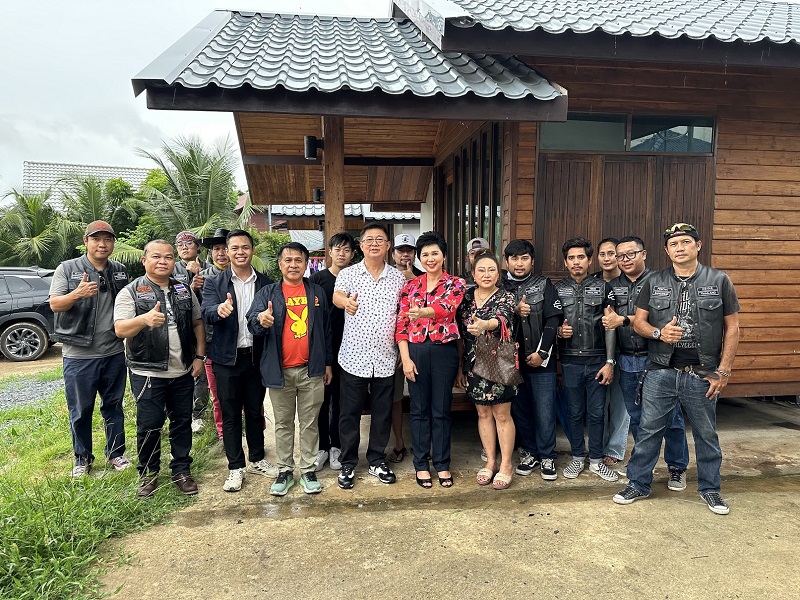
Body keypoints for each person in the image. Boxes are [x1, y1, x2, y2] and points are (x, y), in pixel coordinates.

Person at [614, 223, 740, 515]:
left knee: (706, 435)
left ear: (698, 246)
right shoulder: (654, 281)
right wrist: (659, 334)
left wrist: (723, 371)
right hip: (660, 370)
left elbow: (733, 328)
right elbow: (639, 322)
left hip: (702, 372)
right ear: (666, 250)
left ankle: (710, 489)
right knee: (648, 431)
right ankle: (638, 483)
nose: (680, 248)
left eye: (686, 242)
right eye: (673, 244)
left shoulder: (719, 280)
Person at [114, 239, 205, 498]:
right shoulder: (131, 292)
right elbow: (120, 329)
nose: (163, 261)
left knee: (182, 422)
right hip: (148, 373)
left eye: (168, 257)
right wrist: (144, 319)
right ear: (144, 260)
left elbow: (197, 323)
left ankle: (181, 470)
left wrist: (200, 356)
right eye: (156, 256)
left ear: (174, 261)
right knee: (150, 425)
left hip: (183, 370)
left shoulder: (183, 289)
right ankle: (148, 474)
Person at [602, 236, 690, 488]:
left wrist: (624, 319)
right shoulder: (612, 286)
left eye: (631, 254)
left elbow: (667, 319)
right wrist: (611, 359)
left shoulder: (662, 282)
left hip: (659, 360)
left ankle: (677, 467)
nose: (625, 260)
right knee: (638, 418)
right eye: (621, 256)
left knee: (670, 418)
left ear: (644, 254)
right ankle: (643, 466)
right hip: (628, 360)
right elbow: (610, 325)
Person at [247, 242, 333, 496]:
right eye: (288, 260)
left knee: (309, 423)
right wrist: (261, 320)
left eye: (298, 260)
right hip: (280, 371)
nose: (293, 265)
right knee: (283, 424)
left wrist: (328, 362)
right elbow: (252, 322)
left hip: (312, 370)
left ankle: (308, 470)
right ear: (280, 264)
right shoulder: (268, 292)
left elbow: (327, 330)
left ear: (306, 264)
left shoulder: (316, 292)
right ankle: (285, 470)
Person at [49, 220, 131, 477]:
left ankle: (116, 454)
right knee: (81, 410)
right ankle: (82, 458)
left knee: (114, 406)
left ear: (113, 243)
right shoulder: (67, 268)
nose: (102, 244)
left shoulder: (119, 271)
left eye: (107, 239)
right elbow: (55, 304)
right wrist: (77, 294)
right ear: (86, 242)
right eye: (96, 239)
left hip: (113, 352)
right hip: (79, 355)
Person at [201, 230, 275, 492]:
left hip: (255, 357)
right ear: (227, 251)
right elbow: (205, 312)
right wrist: (218, 310)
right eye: (234, 248)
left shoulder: (266, 283)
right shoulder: (214, 282)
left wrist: (265, 321)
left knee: (255, 411)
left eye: (245, 247)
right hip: (226, 358)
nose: (240, 252)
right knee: (230, 413)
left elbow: (273, 317)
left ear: (252, 250)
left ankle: (257, 459)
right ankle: (235, 467)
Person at [333, 224, 406, 489]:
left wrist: (403, 349)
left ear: (388, 246)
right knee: (349, 413)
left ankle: (376, 459)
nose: (374, 243)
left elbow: (404, 313)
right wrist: (346, 303)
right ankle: (348, 463)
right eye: (369, 240)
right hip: (354, 356)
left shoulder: (398, 278)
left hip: (386, 357)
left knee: (382, 413)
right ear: (361, 246)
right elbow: (337, 296)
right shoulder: (349, 273)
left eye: (380, 239)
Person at [396, 231, 466, 489]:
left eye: (435, 253)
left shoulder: (456, 283)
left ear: (443, 256)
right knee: (419, 410)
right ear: (419, 257)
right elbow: (401, 325)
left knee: (441, 409)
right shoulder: (410, 286)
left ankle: (442, 463)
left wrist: (423, 312)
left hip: (444, 352)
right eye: (424, 254)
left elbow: (448, 308)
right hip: (415, 352)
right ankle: (421, 464)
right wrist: (406, 359)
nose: (430, 258)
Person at [555, 237, 619, 482]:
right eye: (571, 258)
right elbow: (551, 324)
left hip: (597, 361)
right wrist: (560, 331)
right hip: (570, 360)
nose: (576, 262)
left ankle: (596, 461)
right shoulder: (557, 289)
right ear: (565, 262)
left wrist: (609, 362)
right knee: (574, 412)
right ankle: (577, 457)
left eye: (581, 257)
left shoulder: (604, 288)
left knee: (597, 412)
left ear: (590, 260)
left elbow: (611, 326)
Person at [456, 251, 518, 489]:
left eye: (491, 270)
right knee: (482, 413)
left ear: (498, 274)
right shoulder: (466, 298)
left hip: (499, 361)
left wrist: (485, 324)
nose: (486, 274)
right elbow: (460, 334)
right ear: (473, 274)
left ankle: (506, 465)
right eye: (481, 270)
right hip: (473, 362)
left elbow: (502, 319)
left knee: (502, 414)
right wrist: (461, 367)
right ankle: (491, 461)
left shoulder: (506, 296)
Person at [502, 239, 563, 481]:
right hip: (510, 362)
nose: (519, 263)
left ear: (532, 261)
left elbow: (553, 319)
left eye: (524, 258)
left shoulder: (544, 284)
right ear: (506, 261)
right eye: (514, 258)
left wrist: (542, 353)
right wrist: (513, 311)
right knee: (520, 409)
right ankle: (530, 452)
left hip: (540, 360)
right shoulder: (499, 285)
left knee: (545, 410)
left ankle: (547, 455)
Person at [309, 232, 355, 472]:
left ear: (353, 254)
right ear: (329, 252)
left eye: (346, 250)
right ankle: (322, 447)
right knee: (321, 399)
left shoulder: (357, 278)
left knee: (341, 400)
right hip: (322, 348)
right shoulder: (317, 280)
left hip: (350, 348)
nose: (341, 254)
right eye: (337, 249)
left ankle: (337, 445)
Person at [592, 237, 631, 468]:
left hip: (624, 348)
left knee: (619, 402)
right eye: (602, 254)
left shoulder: (627, 282)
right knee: (599, 402)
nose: (607, 258)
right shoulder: (593, 282)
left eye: (611, 254)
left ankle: (615, 447)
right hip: (597, 349)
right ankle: (598, 445)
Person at [388, 233, 423, 463]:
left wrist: (412, 278)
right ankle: (399, 443)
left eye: (409, 250)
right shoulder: (386, 275)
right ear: (393, 254)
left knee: (421, 399)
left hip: (417, 346)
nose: (405, 254)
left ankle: (423, 447)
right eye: (401, 250)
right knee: (394, 398)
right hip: (389, 346)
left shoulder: (425, 276)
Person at [172, 230, 211, 434]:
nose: (184, 247)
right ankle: (178, 413)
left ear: (197, 247)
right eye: (180, 244)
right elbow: (171, 297)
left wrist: (201, 276)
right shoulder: (171, 268)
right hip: (179, 328)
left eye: (188, 243)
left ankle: (198, 414)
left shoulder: (209, 268)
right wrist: (191, 287)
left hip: (205, 327)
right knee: (180, 369)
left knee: (201, 370)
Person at [198, 228, 231, 439]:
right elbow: (197, 313)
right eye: (216, 249)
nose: (221, 253)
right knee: (218, 394)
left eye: (224, 248)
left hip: (240, 343)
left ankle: (256, 433)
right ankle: (222, 434)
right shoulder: (202, 278)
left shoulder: (246, 274)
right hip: (213, 342)